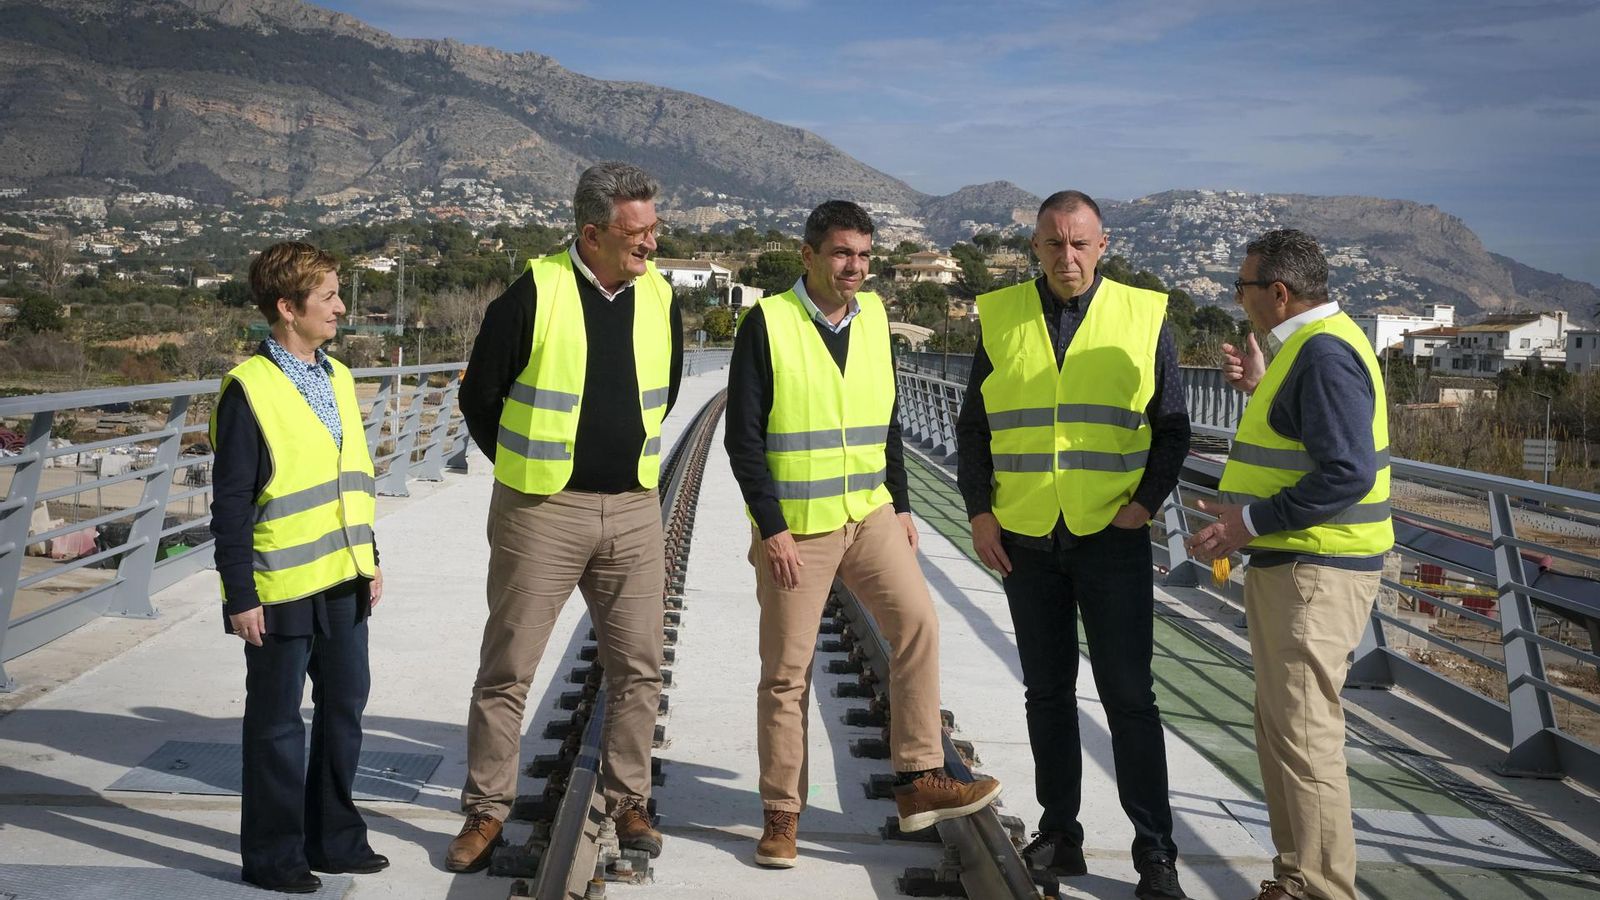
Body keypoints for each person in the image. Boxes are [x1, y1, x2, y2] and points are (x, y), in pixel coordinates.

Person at [725, 200, 1001, 869]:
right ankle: (782, 813)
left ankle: (918, 778)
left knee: (918, 626)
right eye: (843, 253)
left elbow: (887, 422)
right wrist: (772, 528)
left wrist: (902, 505)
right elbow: (743, 438)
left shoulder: (874, 316)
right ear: (810, 255)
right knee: (786, 675)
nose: (855, 267)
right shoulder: (769, 323)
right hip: (799, 526)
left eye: (865, 256)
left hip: (871, 513)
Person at [448, 161, 683, 873]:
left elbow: (666, 389)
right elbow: (479, 398)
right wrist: (524, 470)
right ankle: (487, 810)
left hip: (634, 507)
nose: (651, 243)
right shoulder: (531, 295)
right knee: (508, 668)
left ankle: (629, 799)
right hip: (541, 511)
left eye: (654, 228)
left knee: (639, 668)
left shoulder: (660, 296)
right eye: (637, 233)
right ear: (591, 233)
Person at [955, 190, 1190, 899]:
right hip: (1025, 536)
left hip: (1110, 537)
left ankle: (1156, 856)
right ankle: (1060, 835)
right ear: (1035, 246)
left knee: (1129, 696)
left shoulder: (1144, 316)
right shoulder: (1001, 316)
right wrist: (980, 513)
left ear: (1102, 245)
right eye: (1054, 243)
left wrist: (1144, 506)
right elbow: (974, 427)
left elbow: (1172, 427)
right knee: (1047, 694)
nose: (1067, 256)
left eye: (1080, 243)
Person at [1185, 229, 1392, 900]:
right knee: (1283, 729)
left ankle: (1318, 889)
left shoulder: (1323, 354)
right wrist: (1260, 387)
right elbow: (1306, 441)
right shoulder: (1307, 348)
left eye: (1241, 287)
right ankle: (1296, 877)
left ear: (1277, 292)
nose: (1238, 299)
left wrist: (1245, 523)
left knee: (1303, 734)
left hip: (1316, 570)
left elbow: (1347, 472)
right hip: (1300, 566)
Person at [210, 241, 387, 894]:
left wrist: (371, 558)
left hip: (344, 577)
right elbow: (231, 504)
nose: (340, 307)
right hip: (279, 587)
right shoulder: (248, 391)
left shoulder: (338, 377)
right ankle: (273, 856)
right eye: (329, 297)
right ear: (288, 307)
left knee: (344, 709)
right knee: (278, 727)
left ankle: (333, 839)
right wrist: (239, 594)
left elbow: (351, 478)